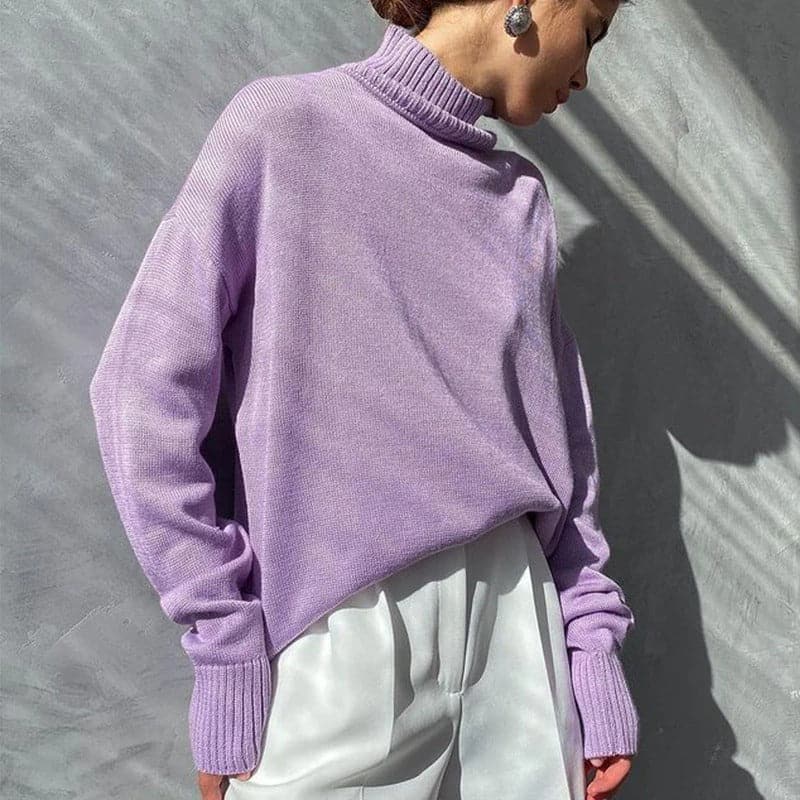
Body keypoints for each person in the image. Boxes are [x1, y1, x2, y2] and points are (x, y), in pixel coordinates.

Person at [88, 1, 639, 798]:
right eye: (591, 30)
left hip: (519, 630)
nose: (584, 73)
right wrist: (225, 644)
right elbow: (140, 391)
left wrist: (590, 656)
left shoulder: (522, 200)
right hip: (342, 630)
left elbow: (567, 457)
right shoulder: (285, 127)